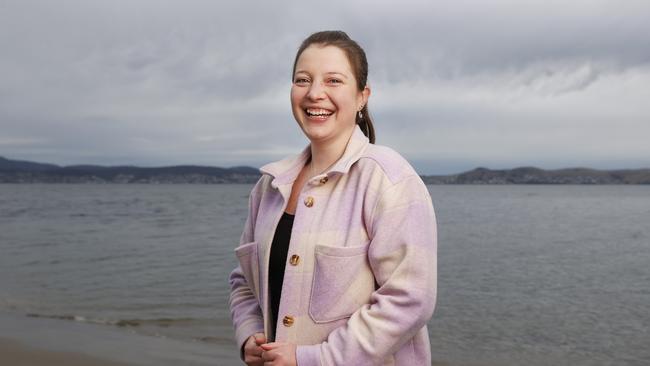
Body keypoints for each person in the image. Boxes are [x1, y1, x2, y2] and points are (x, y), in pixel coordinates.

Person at [229, 30, 437, 366]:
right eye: (303, 80)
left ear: (361, 96)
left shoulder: (389, 180)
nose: (315, 94)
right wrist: (248, 335)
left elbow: (410, 300)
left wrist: (314, 358)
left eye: (333, 81)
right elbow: (243, 280)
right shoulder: (268, 188)